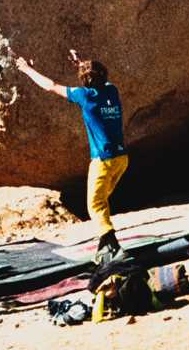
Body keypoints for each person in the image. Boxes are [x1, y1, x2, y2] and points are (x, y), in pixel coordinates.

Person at [15, 51, 128, 257]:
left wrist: (27, 69)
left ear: (85, 82)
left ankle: (112, 245)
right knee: (102, 200)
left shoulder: (84, 96)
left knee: (95, 204)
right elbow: (96, 78)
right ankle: (105, 241)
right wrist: (81, 64)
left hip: (103, 160)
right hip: (122, 159)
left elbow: (50, 86)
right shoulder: (112, 90)